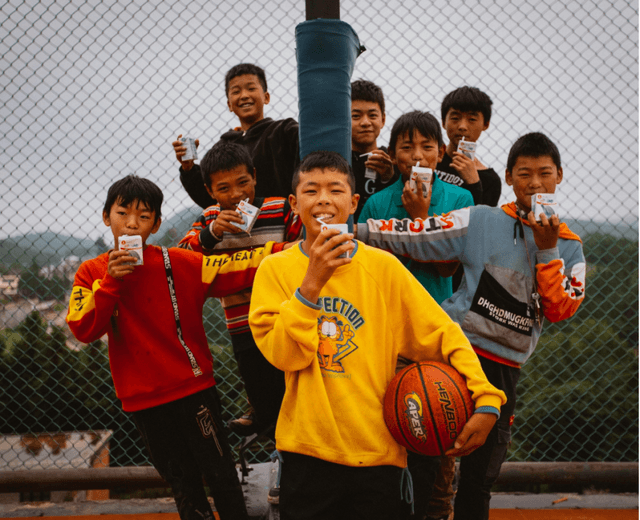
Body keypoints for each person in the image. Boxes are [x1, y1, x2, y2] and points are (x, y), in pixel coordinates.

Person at [248, 151, 506, 520]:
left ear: (354, 202)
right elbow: (286, 356)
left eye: (336, 190)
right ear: (294, 203)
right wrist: (311, 283)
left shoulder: (383, 268)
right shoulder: (274, 270)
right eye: (311, 190)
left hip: (379, 454)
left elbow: (443, 334)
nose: (323, 199)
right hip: (307, 453)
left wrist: (487, 398)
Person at [356, 133, 586, 520]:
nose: (535, 183)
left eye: (545, 173)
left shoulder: (568, 245)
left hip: (503, 369)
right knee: (422, 462)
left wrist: (548, 249)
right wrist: (351, 231)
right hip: (452, 356)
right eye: (524, 174)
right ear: (509, 177)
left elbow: (561, 308)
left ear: (559, 176)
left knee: (479, 479)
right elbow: (417, 234)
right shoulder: (482, 219)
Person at [66, 175, 282, 520]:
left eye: (144, 216)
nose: (132, 224)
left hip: (194, 390)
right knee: (183, 484)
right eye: (123, 213)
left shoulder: (176, 262)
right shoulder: (91, 272)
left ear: (156, 224)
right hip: (144, 400)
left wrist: (294, 251)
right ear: (107, 217)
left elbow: (236, 266)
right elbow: (82, 328)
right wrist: (111, 283)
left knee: (222, 475)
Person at [178, 141, 301, 440]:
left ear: (255, 176)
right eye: (223, 188)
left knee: (296, 392)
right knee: (262, 392)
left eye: (242, 182)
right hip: (242, 325)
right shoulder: (210, 218)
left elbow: (302, 247)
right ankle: (267, 429)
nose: (235, 194)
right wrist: (211, 234)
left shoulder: (278, 208)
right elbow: (181, 258)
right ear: (209, 191)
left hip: (285, 318)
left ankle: (293, 449)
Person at [358, 110, 473, 305]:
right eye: (407, 147)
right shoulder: (376, 203)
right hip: (387, 307)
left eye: (427, 147)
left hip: (435, 308)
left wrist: (421, 216)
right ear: (392, 155)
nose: (418, 156)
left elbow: (447, 270)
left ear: (440, 153)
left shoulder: (460, 199)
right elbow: (364, 264)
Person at [172, 63, 299, 208]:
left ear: (266, 97)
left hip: (286, 216)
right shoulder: (223, 147)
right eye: (236, 91)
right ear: (229, 105)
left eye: (251, 88)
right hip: (238, 222)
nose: (244, 96)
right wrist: (188, 168)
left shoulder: (285, 131)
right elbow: (210, 198)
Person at [436, 86, 501, 207]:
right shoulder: (429, 160)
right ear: (444, 122)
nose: (462, 126)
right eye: (455, 118)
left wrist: (474, 183)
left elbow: (481, 217)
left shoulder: (490, 180)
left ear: (485, 124)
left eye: (472, 119)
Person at [350, 79, 397, 219]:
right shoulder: (337, 160)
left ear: (383, 120)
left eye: (372, 115)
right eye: (356, 116)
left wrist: (389, 178)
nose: (365, 122)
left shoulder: (393, 159)